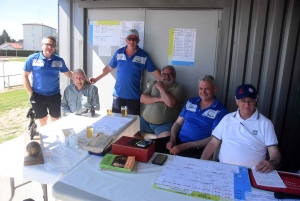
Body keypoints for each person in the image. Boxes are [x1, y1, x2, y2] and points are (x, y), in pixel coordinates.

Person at [201, 84, 281, 173]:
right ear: (236, 100)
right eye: (243, 100)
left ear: (256, 100)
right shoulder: (227, 119)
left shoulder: (266, 123)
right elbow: (213, 143)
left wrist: (272, 162)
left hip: (253, 172)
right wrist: (201, 162)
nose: (247, 104)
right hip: (223, 169)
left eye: (251, 101)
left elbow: (274, 152)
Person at [89, 29, 161, 115]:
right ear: (126, 40)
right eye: (129, 38)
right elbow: (108, 68)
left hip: (134, 97)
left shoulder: (143, 55)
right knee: (117, 122)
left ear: (138, 41)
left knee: (133, 124)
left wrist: (166, 83)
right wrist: (96, 78)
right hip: (118, 96)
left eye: (134, 39)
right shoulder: (119, 53)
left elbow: (154, 70)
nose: (132, 41)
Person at [155, 75, 228, 158]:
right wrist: (172, 139)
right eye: (200, 88)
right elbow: (178, 123)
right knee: (148, 147)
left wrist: (185, 146)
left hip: (197, 148)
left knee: (177, 160)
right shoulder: (191, 101)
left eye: (207, 89)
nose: (203, 92)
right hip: (177, 141)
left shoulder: (221, 110)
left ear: (214, 89)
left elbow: (213, 138)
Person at [22, 36, 73, 126]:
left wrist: (82, 79)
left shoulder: (58, 60)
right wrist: (31, 93)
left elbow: (68, 73)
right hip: (38, 95)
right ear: (42, 45)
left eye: (53, 45)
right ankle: (45, 139)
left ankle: (56, 138)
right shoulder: (33, 58)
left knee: (56, 119)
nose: (50, 47)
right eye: (47, 44)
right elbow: (24, 76)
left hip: (54, 95)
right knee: (43, 120)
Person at [139, 65, 186, 138]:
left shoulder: (179, 88)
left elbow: (171, 103)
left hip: (164, 125)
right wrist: (160, 99)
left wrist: (161, 88)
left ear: (175, 76)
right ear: (161, 76)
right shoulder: (154, 84)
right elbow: (142, 99)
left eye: (170, 74)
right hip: (145, 121)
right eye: (164, 74)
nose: (167, 76)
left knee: (164, 142)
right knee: (128, 133)